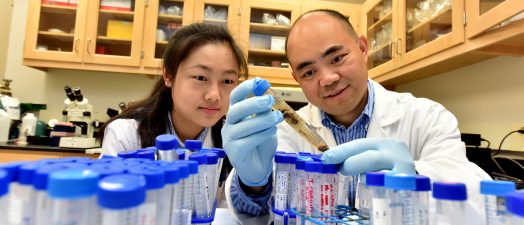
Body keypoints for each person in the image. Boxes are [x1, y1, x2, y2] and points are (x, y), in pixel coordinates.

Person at [221, 9, 491, 224]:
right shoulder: (285, 131)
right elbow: (263, 212)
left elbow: (479, 196)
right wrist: (253, 185)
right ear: (297, 79)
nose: (327, 78)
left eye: (337, 58)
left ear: (363, 48)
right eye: (309, 72)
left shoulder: (427, 117)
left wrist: (416, 175)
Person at [99, 23, 247, 156]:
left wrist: (254, 185)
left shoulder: (235, 139)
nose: (214, 96)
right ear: (168, 75)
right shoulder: (126, 135)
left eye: (227, 81)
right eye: (201, 78)